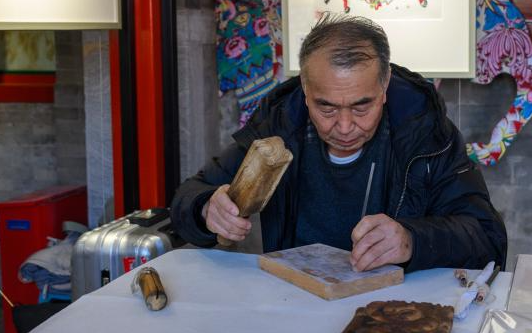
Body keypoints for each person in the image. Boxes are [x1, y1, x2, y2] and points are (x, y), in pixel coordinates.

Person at [171, 14, 506, 272]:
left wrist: (412, 240)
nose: (345, 127)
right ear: (305, 90)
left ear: (384, 86)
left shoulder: (423, 131)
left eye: (362, 106)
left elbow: (488, 237)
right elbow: (188, 196)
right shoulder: (281, 126)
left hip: (393, 311)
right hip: (297, 301)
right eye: (326, 108)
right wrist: (206, 209)